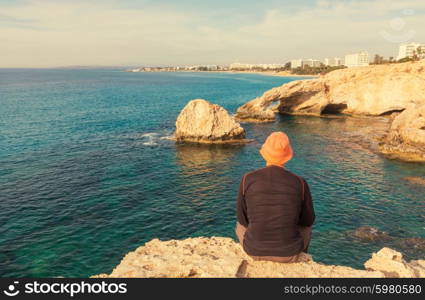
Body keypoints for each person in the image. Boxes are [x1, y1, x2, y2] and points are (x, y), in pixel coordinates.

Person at [235, 131, 315, 263]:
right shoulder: (300, 182)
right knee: (306, 228)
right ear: (288, 155)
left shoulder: (247, 179)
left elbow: (242, 219)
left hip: (254, 251)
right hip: (289, 253)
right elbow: (308, 220)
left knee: (239, 225)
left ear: (265, 153)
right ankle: (301, 258)